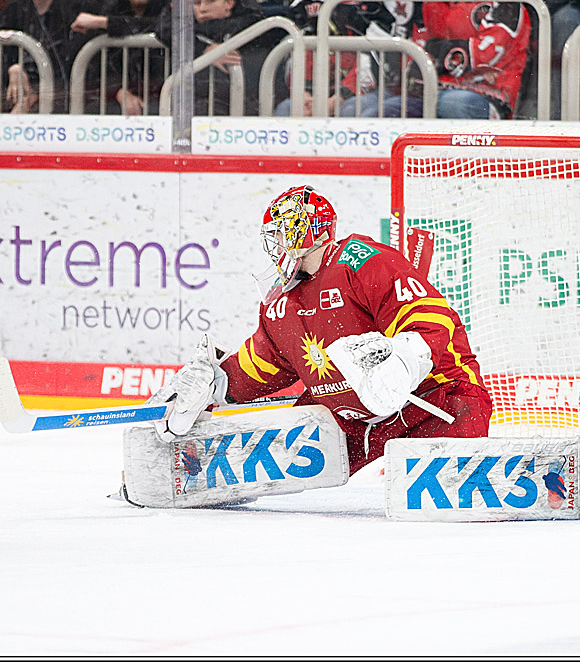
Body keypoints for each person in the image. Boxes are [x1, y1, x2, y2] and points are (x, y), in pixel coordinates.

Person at [148, 185, 492, 477]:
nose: (277, 245)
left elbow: (429, 319)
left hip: (436, 405)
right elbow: (262, 365)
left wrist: (402, 359)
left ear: (308, 230)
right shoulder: (280, 304)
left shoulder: (362, 260)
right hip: (348, 422)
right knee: (275, 454)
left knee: (427, 509)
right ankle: (184, 473)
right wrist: (215, 384)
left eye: (283, 234)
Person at [338, 0, 533, 119]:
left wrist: (439, 54)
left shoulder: (506, 2)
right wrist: (442, 55)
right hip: (430, 91)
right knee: (365, 111)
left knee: (453, 103)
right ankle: (381, 175)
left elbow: (483, 56)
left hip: (488, 96)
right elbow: (419, 53)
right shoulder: (431, 0)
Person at [150, 0, 266, 116]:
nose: (203, 8)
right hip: (196, 105)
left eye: (210, 0)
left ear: (229, 3)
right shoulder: (187, 28)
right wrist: (205, 50)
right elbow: (163, 28)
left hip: (241, 107)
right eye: (196, 2)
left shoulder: (251, 26)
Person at [69, 0, 172, 115]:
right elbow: (94, 61)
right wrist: (118, 90)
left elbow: (163, 27)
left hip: (168, 93)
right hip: (121, 94)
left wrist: (105, 22)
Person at [0, 0, 96, 113]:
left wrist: (36, 96)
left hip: (70, 98)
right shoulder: (13, 8)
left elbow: (88, 68)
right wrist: (13, 67)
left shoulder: (79, 6)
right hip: (22, 95)